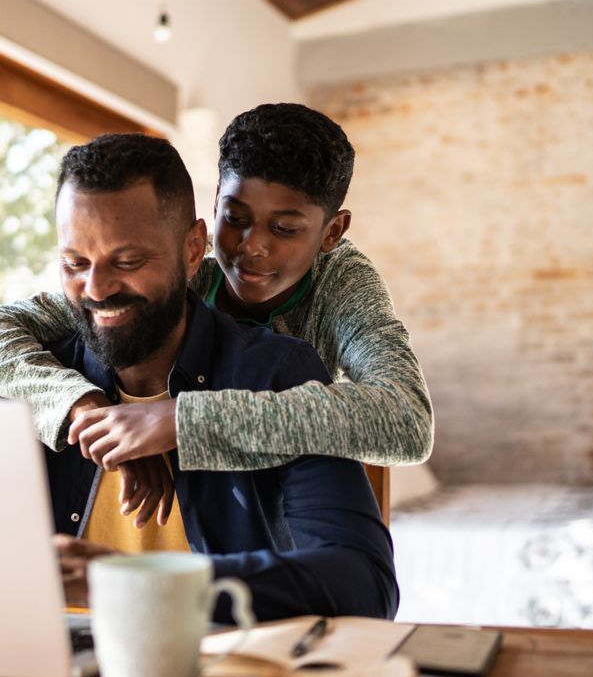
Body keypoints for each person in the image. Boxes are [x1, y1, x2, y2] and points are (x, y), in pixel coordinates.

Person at [0, 103, 432, 528]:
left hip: (283, 510)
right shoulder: (181, 271)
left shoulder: (342, 285)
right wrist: (87, 407)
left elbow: (407, 420)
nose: (251, 247)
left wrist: (181, 421)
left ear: (333, 231)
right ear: (214, 203)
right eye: (235, 218)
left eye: (284, 228)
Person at [37, 133, 397, 621]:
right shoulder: (31, 385)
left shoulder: (276, 374)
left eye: (128, 261)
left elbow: (364, 586)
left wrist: (147, 586)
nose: (96, 289)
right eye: (74, 263)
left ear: (192, 250)